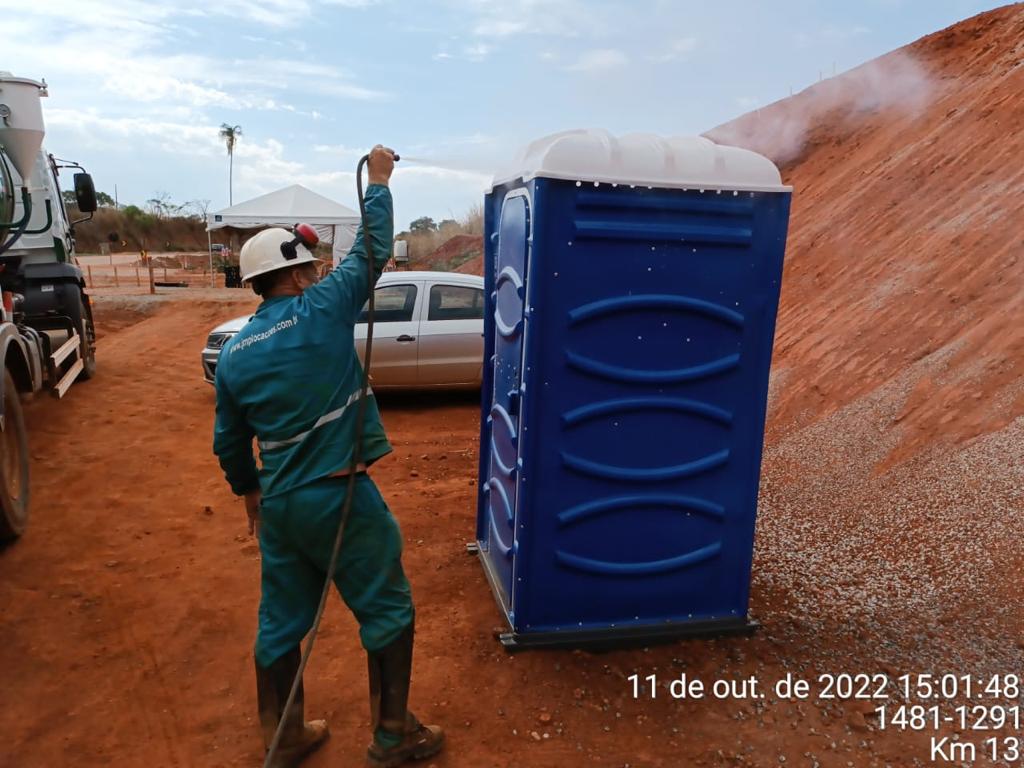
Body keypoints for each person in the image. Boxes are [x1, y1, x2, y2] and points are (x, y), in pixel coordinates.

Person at [212, 145, 444, 768]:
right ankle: (395, 736)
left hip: (282, 506)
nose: (316, 274)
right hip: (339, 493)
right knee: (387, 607)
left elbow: (228, 442)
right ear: (292, 276)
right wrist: (380, 179)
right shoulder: (320, 308)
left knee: (281, 621)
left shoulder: (234, 353)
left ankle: (283, 736)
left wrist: (250, 494)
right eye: (309, 267)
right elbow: (372, 248)